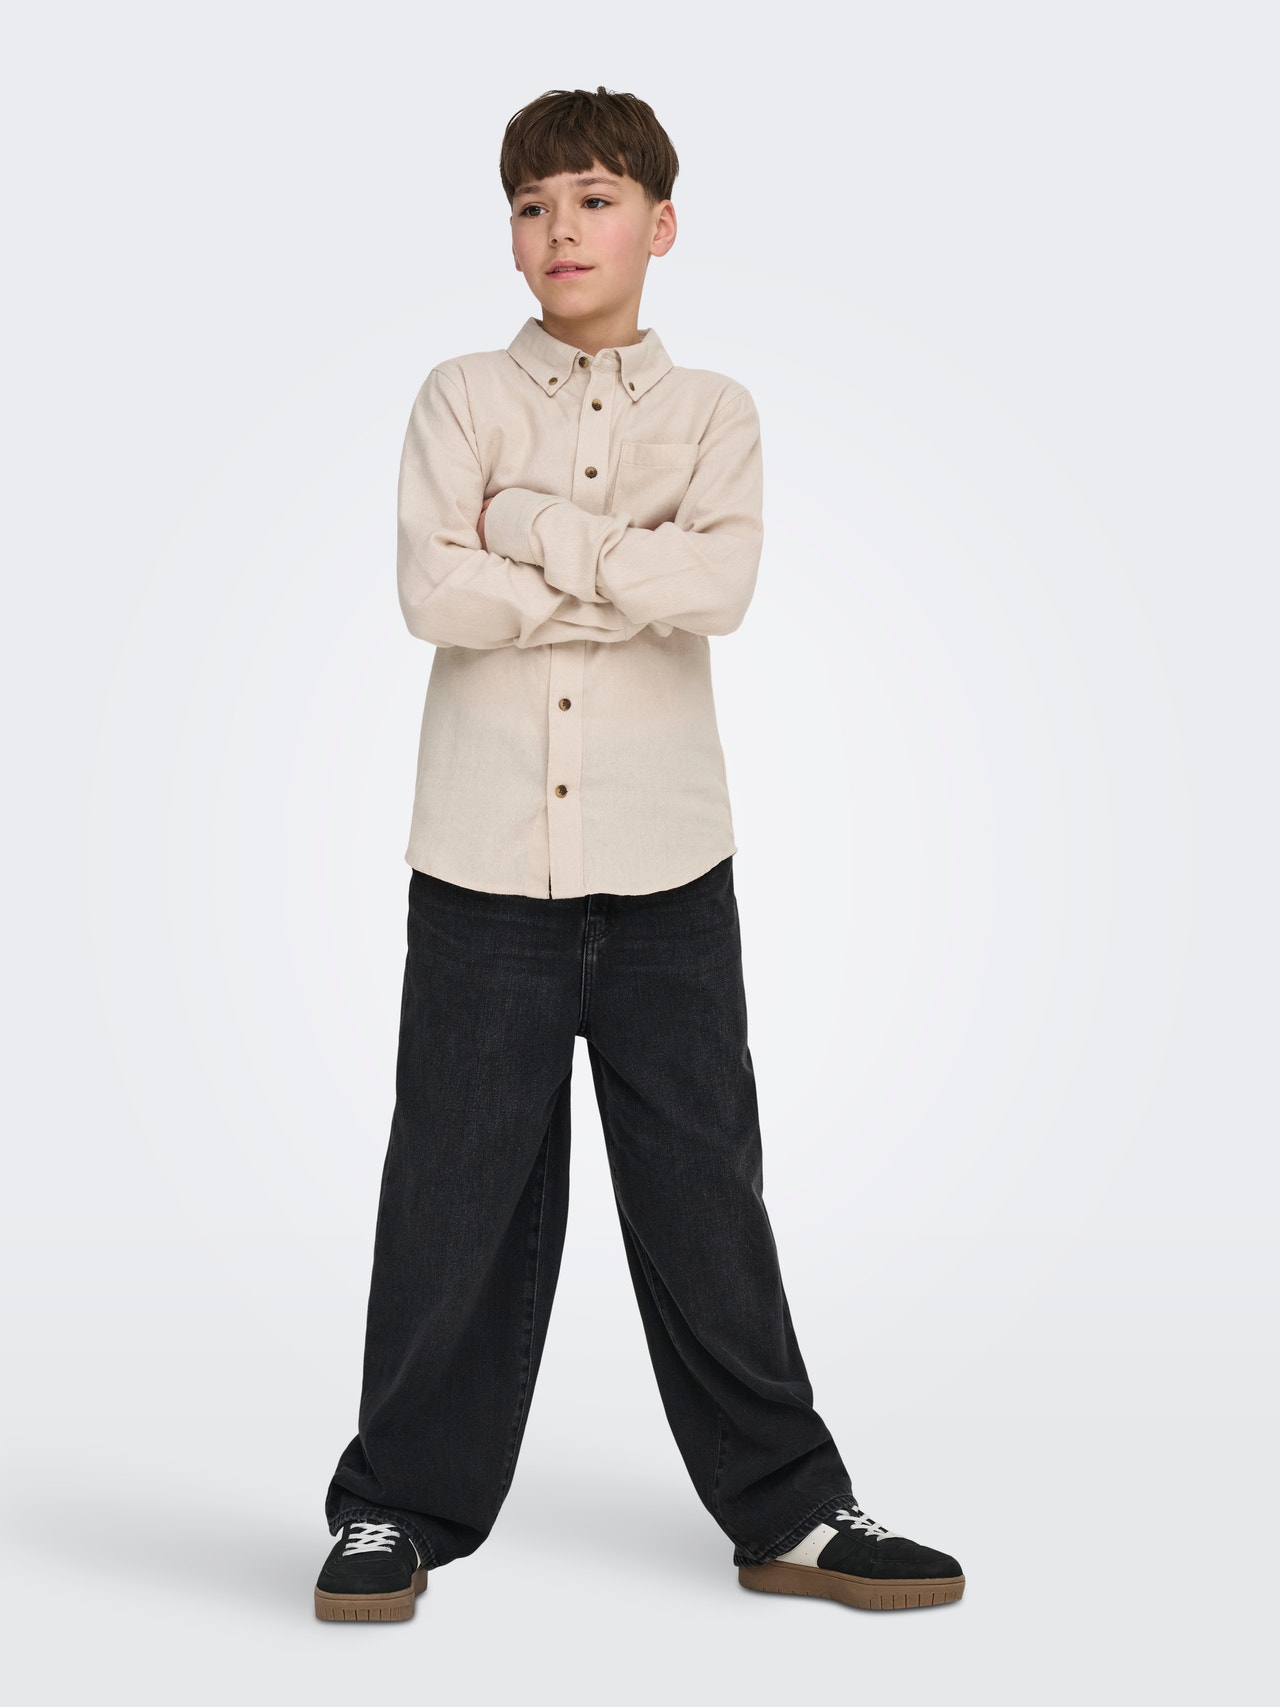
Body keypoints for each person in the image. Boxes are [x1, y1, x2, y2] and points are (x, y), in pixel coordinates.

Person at [314, 85, 963, 1623]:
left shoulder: (715, 414)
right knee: (451, 1197)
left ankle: (792, 1512)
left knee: (704, 1194)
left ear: (660, 225)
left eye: (594, 199)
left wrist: (532, 530)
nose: (561, 229)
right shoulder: (460, 397)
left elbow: (718, 592)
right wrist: (623, 579)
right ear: (511, 237)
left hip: (671, 876)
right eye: (532, 206)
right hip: (481, 874)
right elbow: (433, 597)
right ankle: (392, 1511)